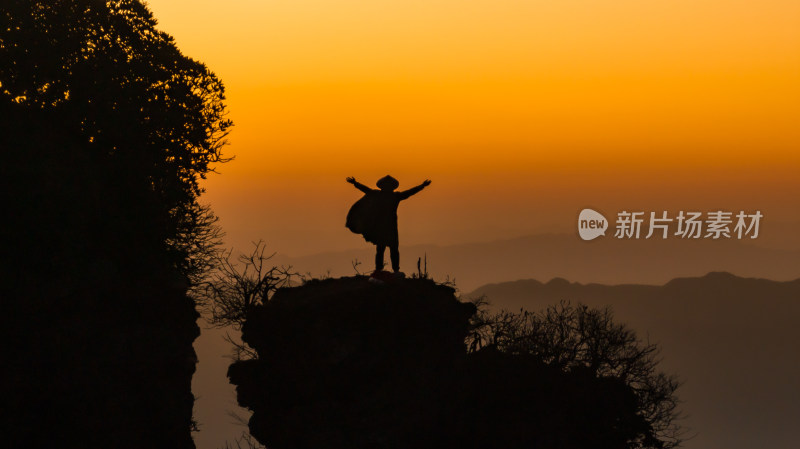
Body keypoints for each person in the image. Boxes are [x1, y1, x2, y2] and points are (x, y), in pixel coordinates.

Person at [345, 175, 431, 274]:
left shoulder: (378, 194)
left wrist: (355, 183)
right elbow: (409, 192)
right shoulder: (395, 196)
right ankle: (391, 270)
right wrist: (422, 186)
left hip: (385, 227)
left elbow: (366, 190)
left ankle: (382, 269)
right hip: (389, 227)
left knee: (383, 249)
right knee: (390, 249)